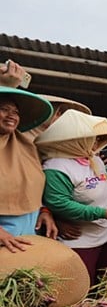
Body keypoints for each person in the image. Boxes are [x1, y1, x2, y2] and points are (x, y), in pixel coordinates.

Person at [36, 110, 107, 284]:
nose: (96, 143)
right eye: (93, 138)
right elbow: (59, 203)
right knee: (80, 286)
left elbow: (96, 179)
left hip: (104, 236)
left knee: (106, 284)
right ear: (77, 140)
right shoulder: (57, 167)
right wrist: (102, 213)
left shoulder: (91, 158)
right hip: (79, 241)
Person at [0, 86, 57, 251]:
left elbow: (33, 185)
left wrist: (43, 211)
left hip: (28, 231)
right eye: (4, 109)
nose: (12, 115)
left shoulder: (26, 147)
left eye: (16, 112)